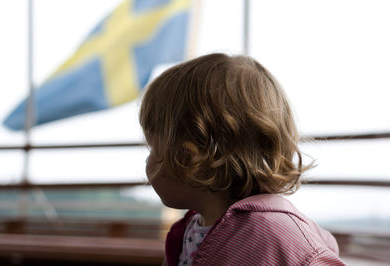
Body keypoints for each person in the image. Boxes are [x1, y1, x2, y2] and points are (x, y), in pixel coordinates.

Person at [139, 53, 345, 265]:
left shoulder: (274, 233)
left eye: (153, 148)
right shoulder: (190, 231)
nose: (147, 162)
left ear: (189, 160)